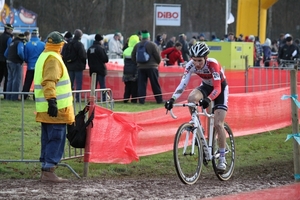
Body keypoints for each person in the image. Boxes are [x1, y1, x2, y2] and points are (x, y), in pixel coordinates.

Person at [164, 42, 229, 173]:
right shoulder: (190, 65)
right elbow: (183, 84)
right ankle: (198, 128)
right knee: (191, 99)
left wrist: (209, 99)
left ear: (206, 58)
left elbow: (217, 88)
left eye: (200, 60)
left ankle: (222, 158)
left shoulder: (213, 64)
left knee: (218, 124)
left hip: (220, 89)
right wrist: (172, 99)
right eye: (194, 60)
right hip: (205, 86)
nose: (197, 63)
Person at [33, 31, 74, 183]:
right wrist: (52, 101)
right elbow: (49, 81)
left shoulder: (44, 56)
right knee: (56, 138)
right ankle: (49, 170)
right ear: (59, 45)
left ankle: (46, 169)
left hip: (46, 108)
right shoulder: (53, 58)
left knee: (48, 138)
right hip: (56, 109)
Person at [131, 30, 163, 104]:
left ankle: (141, 100)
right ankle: (159, 99)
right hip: (152, 67)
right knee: (155, 84)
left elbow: (133, 56)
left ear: (141, 37)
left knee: (141, 85)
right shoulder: (152, 45)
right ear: (148, 37)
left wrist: (138, 64)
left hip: (141, 68)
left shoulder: (137, 45)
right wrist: (157, 63)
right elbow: (158, 56)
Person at [62, 29, 87, 102]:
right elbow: (83, 55)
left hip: (70, 66)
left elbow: (64, 54)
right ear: (80, 36)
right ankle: (77, 98)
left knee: (70, 83)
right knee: (78, 83)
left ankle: (69, 97)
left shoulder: (68, 43)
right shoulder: (79, 44)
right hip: (78, 66)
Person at [22, 29, 45, 100]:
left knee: (27, 82)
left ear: (31, 35)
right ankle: (36, 97)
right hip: (39, 67)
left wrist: (28, 61)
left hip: (30, 66)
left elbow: (25, 56)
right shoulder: (42, 44)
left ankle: (24, 96)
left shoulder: (27, 44)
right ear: (38, 35)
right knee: (38, 83)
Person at [87, 34, 109, 101]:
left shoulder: (90, 48)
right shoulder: (100, 48)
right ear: (100, 40)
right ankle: (104, 99)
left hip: (92, 69)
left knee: (94, 86)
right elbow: (105, 59)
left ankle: (93, 99)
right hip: (100, 69)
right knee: (102, 85)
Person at [4, 33, 26, 101]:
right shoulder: (20, 43)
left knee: (10, 80)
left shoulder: (11, 43)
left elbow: (5, 54)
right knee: (16, 80)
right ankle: (14, 98)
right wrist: (23, 59)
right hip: (16, 63)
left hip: (9, 62)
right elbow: (20, 52)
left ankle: (8, 97)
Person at [122, 34, 139, 103]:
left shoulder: (125, 50)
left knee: (127, 86)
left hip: (126, 71)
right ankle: (134, 100)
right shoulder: (137, 50)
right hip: (134, 71)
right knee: (134, 87)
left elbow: (123, 60)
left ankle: (125, 99)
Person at [0, 23, 14, 99]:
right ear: (7, 29)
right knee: (7, 78)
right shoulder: (9, 38)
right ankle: (6, 94)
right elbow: (9, 49)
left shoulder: (1, 36)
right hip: (5, 60)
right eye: (11, 29)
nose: (12, 31)